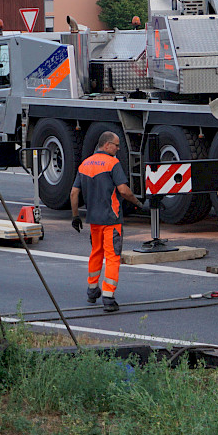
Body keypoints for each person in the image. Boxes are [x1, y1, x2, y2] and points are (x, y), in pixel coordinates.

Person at [70, 131, 145, 312]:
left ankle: (92, 290)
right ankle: (109, 298)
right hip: (111, 220)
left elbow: (74, 193)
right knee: (112, 257)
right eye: (116, 145)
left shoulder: (85, 164)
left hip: (94, 220)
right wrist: (138, 203)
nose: (118, 149)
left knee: (96, 252)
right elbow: (124, 190)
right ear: (106, 145)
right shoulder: (112, 163)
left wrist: (75, 217)